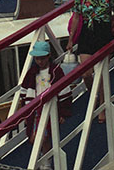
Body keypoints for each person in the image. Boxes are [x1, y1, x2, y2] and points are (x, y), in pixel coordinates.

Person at [72, 0, 114, 123]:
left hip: (104, 34)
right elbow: (76, 16)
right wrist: (71, 38)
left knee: (101, 74)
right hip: (87, 35)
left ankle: (102, 106)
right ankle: (93, 96)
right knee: (86, 73)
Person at [19, 41, 71, 169]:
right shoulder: (31, 72)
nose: (40, 61)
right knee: (35, 136)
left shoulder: (56, 71)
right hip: (35, 107)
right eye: (37, 58)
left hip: (51, 106)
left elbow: (65, 92)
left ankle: (45, 162)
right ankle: (44, 159)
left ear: (49, 56)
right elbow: (24, 91)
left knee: (44, 135)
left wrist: (64, 112)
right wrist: (25, 110)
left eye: (42, 58)